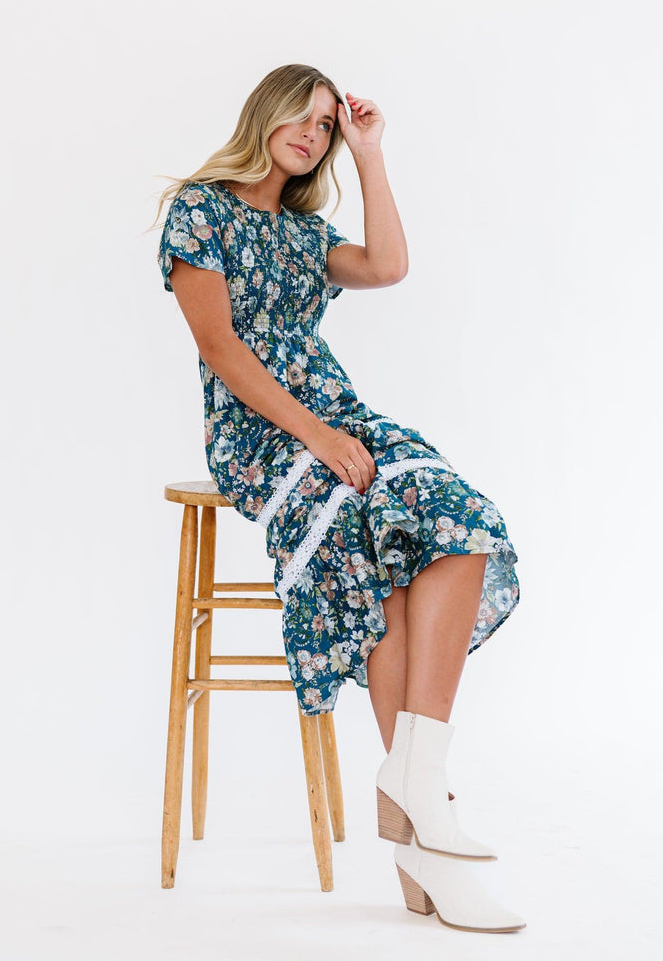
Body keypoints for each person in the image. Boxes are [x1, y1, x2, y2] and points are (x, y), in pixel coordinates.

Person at [154, 63, 526, 933]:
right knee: (370, 550)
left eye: (326, 125)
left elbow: (388, 265)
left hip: (339, 417)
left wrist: (370, 153)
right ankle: (430, 845)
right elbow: (220, 348)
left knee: (459, 521)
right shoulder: (200, 211)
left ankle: (416, 783)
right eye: (305, 116)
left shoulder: (303, 231)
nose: (313, 133)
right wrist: (316, 438)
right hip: (260, 434)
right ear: (265, 113)